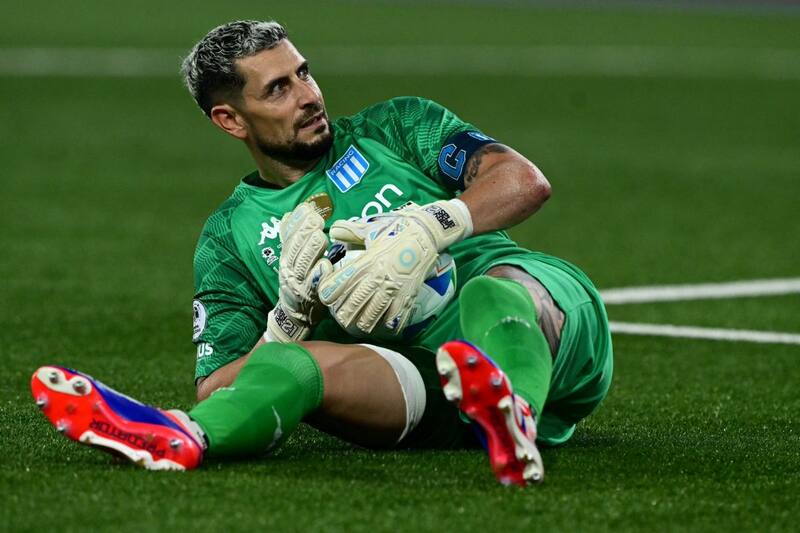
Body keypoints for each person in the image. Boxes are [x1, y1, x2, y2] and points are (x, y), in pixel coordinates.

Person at [30, 20, 612, 486]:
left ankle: (515, 411)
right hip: (426, 391)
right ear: (230, 120)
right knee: (288, 366)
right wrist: (288, 321)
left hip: (551, 337)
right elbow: (217, 383)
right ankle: (182, 437)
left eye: (303, 73)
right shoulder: (229, 237)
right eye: (278, 89)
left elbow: (523, 180)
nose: (309, 96)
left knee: (495, 290)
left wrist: (433, 224)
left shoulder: (397, 127)